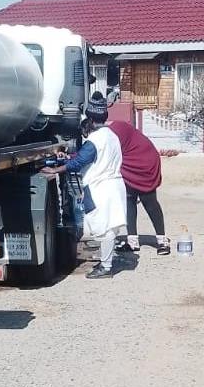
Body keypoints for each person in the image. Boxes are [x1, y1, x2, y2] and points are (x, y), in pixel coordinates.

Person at [41, 92, 126, 279]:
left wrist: (56, 170)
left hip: (101, 187)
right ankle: (107, 263)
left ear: (90, 119)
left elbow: (79, 163)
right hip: (115, 186)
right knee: (110, 228)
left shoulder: (95, 140)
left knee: (103, 228)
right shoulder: (112, 136)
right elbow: (85, 158)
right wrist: (70, 157)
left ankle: (105, 266)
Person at [107, 119, 170, 255]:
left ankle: (162, 241)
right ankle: (133, 242)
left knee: (150, 203)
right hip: (127, 165)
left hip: (145, 166)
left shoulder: (121, 133)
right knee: (129, 201)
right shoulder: (115, 134)